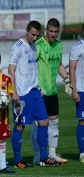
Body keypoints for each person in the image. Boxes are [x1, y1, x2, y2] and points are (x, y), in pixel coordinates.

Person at [8, 21, 60, 168]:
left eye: (37, 35)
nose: (35, 38)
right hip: (21, 93)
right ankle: (18, 159)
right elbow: (11, 70)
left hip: (34, 92)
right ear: (26, 31)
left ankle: (44, 157)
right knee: (20, 126)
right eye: (32, 35)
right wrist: (14, 92)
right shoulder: (17, 47)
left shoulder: (35, 45)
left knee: (44, 121)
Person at [31, 18, 70, 164]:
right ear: (46, 30)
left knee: (54, 122)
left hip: (52, 92)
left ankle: (52, 153)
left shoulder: (59, 45)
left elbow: (60, 64)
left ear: (58, 31)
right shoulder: (38, 45)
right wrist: (35, 85)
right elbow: (32, 66)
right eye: (51, 31)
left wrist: (67, 80)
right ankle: (37, 155)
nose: (53, 34)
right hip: (40, 92)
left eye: (56, 32)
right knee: (38, 125)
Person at [68, 22, 84, 163]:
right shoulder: (77, 47)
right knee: (83, 121)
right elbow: (71, 70)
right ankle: (82, 153)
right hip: (82, 90)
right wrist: (74, 90)